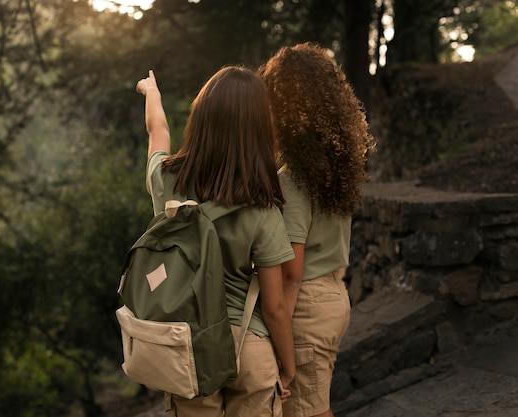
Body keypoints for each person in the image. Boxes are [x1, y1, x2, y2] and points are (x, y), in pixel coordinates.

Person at [136, 66, 296, 417]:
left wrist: (152, 92)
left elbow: (157, 130)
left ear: (201, 119)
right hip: (247, 349)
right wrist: (289, 366)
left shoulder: (168, 182)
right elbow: (274, 306)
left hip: (189, 348)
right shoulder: (262, 206)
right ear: (258, 130)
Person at [258, 43, 374, 417]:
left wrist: (281, 349)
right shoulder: (333, 170)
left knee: (307, 412)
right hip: (334, 296)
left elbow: (291, 274)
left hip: (305, 306)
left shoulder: (293, 180)